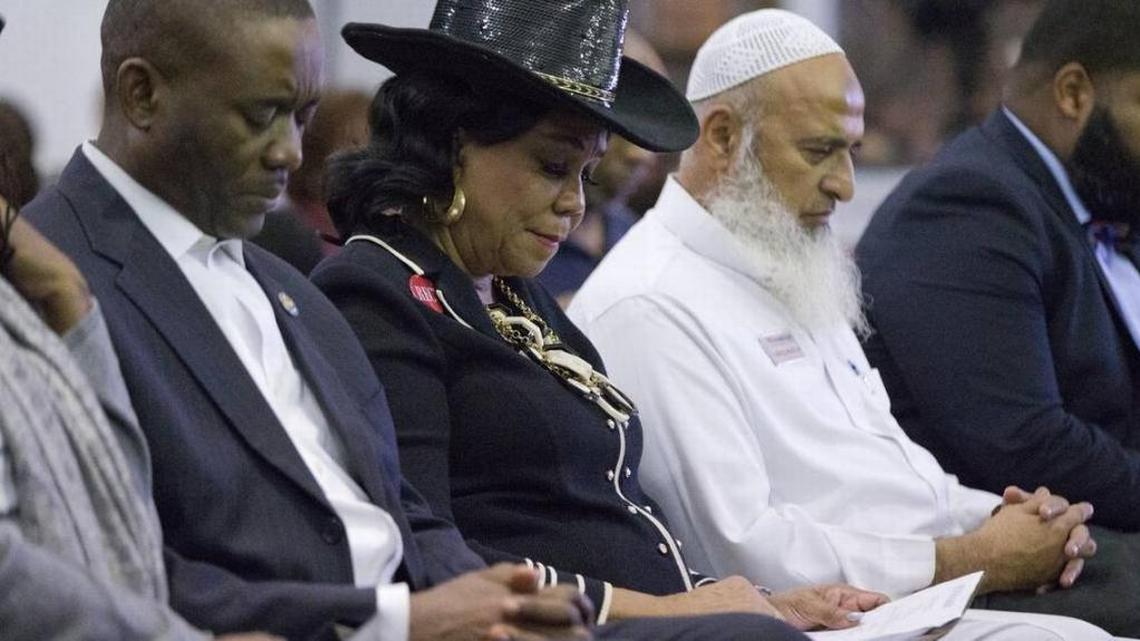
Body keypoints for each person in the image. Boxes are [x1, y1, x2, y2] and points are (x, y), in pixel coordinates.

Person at [312, 1, 905, 637]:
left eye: (587, 175)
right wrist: (682, 614)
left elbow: (616, 518)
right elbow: (424, 550)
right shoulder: (375, 291)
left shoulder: (514, 292)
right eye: (552, 167)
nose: (574, 204)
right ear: (453, 144)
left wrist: (751, 600)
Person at [24, 2, 603, 640]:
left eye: (302, 118)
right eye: (262, 115)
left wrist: (508, 604)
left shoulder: (290, 288)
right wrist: (399, 622)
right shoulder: (47, 284)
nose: (292, 153)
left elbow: (404, 514)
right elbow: (119, 568)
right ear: (142, 94)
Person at [569, 8, 1138, 639]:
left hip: (934, 583)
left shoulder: (786, 264)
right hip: (843, 618)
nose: (843, 185)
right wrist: (972, 557)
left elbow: (902, 481)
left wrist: (1024, 521)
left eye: (851, 152)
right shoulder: (649, 304)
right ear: (724, 136)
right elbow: (739, 552)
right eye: (819, 151)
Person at [856, 0, 1140, 533]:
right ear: (1073, 94)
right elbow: (1026, 446)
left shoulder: (1106, 192)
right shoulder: (968, 205)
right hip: (1008, 542)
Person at [536, 30, 664, 306]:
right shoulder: (511, 242)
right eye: (618, 127)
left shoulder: (638, 239)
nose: (639, 154)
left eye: (647, 132)